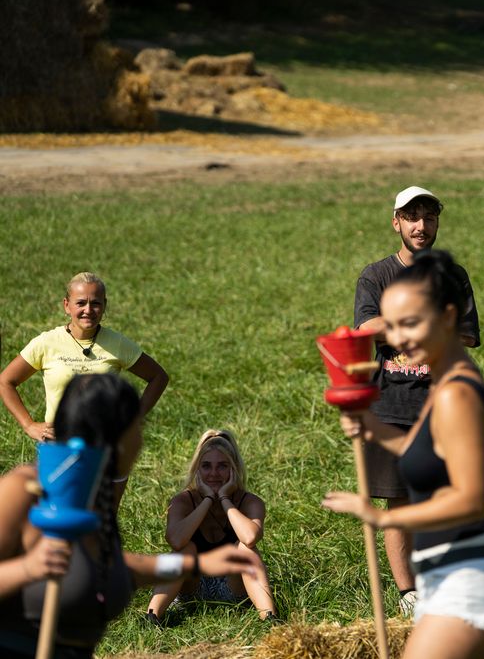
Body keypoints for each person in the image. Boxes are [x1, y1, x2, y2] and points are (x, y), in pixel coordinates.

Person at [324, 250, 484, 659]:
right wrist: (373, 427)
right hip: (450, 571)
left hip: (474, 573)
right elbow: (420, 452)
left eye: (411, 324)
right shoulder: (445, 383)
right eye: (394, 326)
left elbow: (470, 500)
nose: (398, 339)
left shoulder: (456, 393)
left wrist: (383, 517)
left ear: (449, 317)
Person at [0, 374, 259, 658]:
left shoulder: (96, 497)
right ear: (117, 434)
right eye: (139, 426)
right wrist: (29, 568)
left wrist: (197, 563)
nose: (142, 439)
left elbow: (110, 568)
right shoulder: (25, 489)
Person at [352, 186, 481, 615]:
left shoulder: (453, 276)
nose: (421, 226)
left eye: (428, 217)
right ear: (396, 223)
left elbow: (466, 335)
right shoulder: (376, 276)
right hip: (391, 406)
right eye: (412, 217)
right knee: (399, 500)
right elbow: (365, 327)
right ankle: (409, 594)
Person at [0, 272, 168, 504]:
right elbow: (5, 381)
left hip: (108, 448)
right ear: (67, 305)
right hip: (60, 446)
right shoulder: (46, 343)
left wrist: (132, 419)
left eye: (96, 303)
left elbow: (158, 377)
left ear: (104, 306)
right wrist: (29, 425)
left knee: (102, 522)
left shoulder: (117, 343)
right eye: (81, 303)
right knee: (60, 515)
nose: (88, 309)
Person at [146, 429, 277, 624]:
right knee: (185, 550)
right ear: (197, 469)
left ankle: (270, 618)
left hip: (234, 589)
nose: (214, 473)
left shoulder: (250, 502)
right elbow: (175, 540)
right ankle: (152, 616)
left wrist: (224, 498)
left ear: (234, 469)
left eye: (222, 466)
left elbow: (250, 538)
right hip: (192, 588)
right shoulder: (183, 501)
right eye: (206, 466)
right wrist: (207, 499)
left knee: (244, 549)